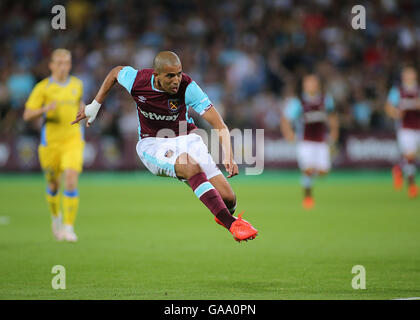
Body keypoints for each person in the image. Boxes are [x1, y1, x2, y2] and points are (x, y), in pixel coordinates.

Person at [71, 51, 258, 242]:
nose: (176, 80)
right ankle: (232, 224)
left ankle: (224, 214)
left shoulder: (187, 87)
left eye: (178, 74)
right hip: (153, 143)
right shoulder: (138, 81)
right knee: (189, 166)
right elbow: (115, 73)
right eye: (170, 76)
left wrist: (228, 155)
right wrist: (95, 105)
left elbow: (219, 124)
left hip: (187, 138)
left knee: (228, 198)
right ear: (156, 75)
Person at [23, 49, 84, 242]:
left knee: (71, 177)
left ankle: (69, 227)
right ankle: (56, 218)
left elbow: (80, 103)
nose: (63, 66)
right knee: (53, 183)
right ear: (51, 65)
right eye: (59, 62)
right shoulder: (43, 88)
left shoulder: (77, 84)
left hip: (73, 140)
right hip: (50, 143)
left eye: (66, 62)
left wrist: (84, 113)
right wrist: (44, 109)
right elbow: (27, 114)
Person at [281, 74, 339, 209]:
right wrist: (288, 132)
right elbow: (286, 118)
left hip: (321, 141)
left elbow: (332, 116)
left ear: (317, 85)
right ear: (304, 85)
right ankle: (307, 197)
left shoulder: (326, 100)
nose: (311, 86)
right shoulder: (298, 102)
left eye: (313, 83)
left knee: (324, 172)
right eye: (308, 83)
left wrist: (335, 131)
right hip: (305, 141)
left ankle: (311, 176)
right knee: (307, 170)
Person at [385, 66, 420, 198]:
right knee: (410, 155)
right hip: (405, 128)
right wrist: (396, 114)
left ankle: (399, 168)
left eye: (411, 74)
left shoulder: (418, 90)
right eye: (407, 75)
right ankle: (411, 186)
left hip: (418, 126)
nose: (409, 77)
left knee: (412, 158)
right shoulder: (397, 91)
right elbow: (388, 107)